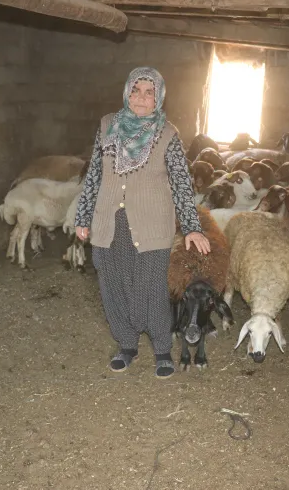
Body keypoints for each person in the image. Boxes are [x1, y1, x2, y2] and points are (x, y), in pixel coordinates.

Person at [75, 67, 211, 379]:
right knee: (113, 286)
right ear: (126, 92)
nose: (141, 97)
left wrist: (191, 226)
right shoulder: (107, 125)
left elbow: (181, 182)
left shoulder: (168, 135)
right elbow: (94, 172)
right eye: (136, 90)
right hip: (108, 222)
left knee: (150, 289)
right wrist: (82, 216)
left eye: (149, 92)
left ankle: (162, 348)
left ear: (159, 98)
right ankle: (127, 344)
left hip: (151, 225)